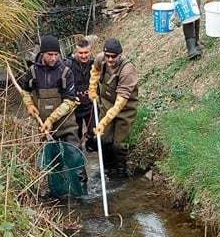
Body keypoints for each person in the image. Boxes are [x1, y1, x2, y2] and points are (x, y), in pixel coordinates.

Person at [20, 34, 87, 197]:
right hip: (45, 129)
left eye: (56, 54)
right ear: (42, 53)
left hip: (66, 126)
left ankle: (82, 193)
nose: (54, 58)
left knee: (74, 160)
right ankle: (59, 194)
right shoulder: (32, 72)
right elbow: (25, 91)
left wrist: (51, 119)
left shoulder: (65, 72)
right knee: (53, 164)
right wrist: (29, 105)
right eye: (50, 54)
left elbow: (70, 101)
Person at [88, 38, 138, 176]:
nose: (110, 59)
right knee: (103, 139)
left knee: (118, 144)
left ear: (120, 54)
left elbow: (120, 103)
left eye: (113, 56)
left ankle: (120, 172)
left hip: (124, 109)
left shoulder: (128, 70)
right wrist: (92, 88)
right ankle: (107, 170)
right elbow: (95, 70)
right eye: (107, 56)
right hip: (106, 103)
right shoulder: (101, 58)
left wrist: (103, 122)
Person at [66, 36, 96, 151]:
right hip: (75, 107)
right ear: (76, 51)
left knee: (93, 133)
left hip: (90, 106)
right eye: (81, 53)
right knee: (75, 136)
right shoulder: (69, 65)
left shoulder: (94, 64)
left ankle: (90, 146)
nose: (83, 56)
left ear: (90, 51)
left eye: (86, 53)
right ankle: (78, 156)